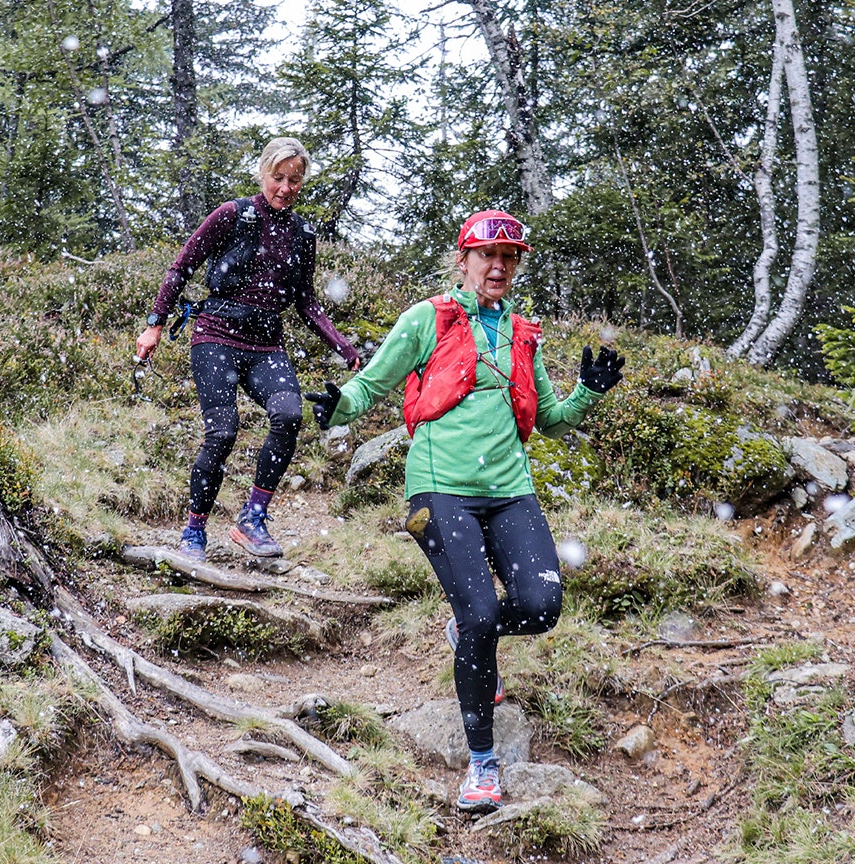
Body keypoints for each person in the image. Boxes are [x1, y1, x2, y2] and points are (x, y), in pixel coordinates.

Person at [303, 211, 624, 812]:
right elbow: (371, 386)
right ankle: (482, 766)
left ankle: (467, 630)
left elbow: (550, 419)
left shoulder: (523, 335)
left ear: (517, 265)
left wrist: (589, 393)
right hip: (438, 489)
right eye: (486, 255)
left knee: (542, 605)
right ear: (464, 259)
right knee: (481, 615)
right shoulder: (428, 319)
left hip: (510, 490)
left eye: (509, 258)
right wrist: (338, 406)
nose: (497, 266)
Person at [135, 137, 361, 561]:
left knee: (289, 415)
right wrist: (155, 324)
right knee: (222, 433)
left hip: (265, 344)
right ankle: (194, 532)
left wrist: (343, 346)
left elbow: (306, 300)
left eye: (294, 180)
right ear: (263, 174)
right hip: (215, 337)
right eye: (278, 177)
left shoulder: (302, 233)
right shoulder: (232, 215)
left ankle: (252, 519)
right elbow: (181, 266)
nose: (285, 187)